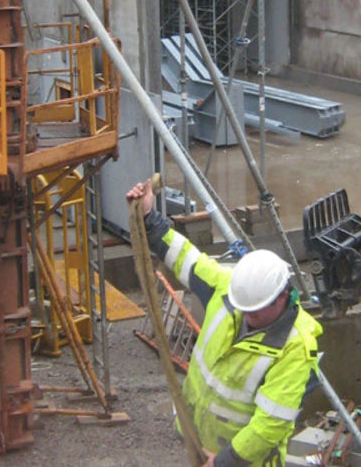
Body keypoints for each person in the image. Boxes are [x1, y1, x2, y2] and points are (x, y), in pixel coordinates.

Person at [127, 180, 323, 467]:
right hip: (199, 442)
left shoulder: (296, 347)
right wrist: (148, 218)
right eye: (244, 309)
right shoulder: (229, 288)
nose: (247, 317)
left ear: (283, 297)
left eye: (255, 311)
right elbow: (187, 259)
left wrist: (223, 462)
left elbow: (269, 428)